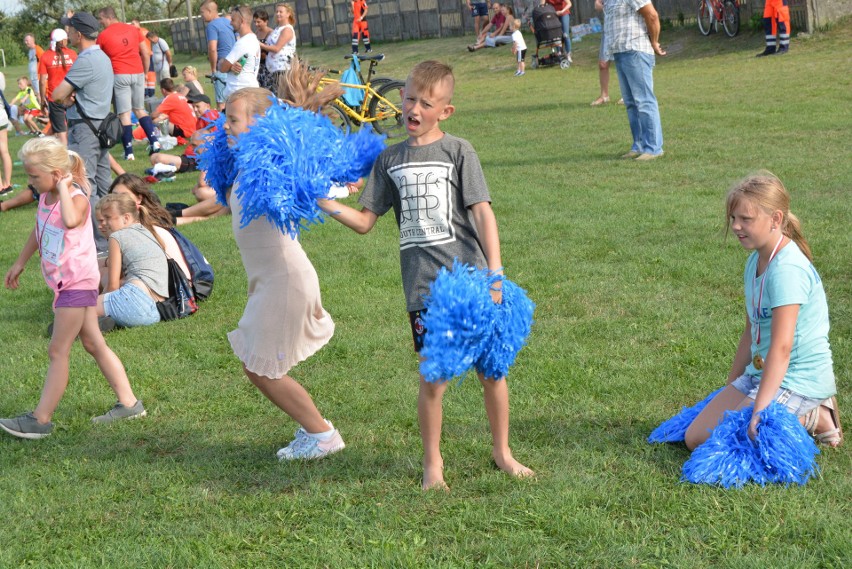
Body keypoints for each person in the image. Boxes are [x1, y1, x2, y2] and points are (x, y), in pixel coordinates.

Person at [318, 61, 534, 490]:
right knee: (433, 378)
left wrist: (496, 273)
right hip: (423, 291)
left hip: (471, 284)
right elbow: (364, 221)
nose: (414, 108)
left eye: (426, 102)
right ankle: (432, 464)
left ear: (445, 112)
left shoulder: (459, 151)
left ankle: (503, 452)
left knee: (492, 372)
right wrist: (321, 200)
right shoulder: (389, 159)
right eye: (410, 98)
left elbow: (482, 212)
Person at [219, 84, 345, 461]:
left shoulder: (272, 162)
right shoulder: (244, 163)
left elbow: (299, 170)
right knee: (258, 365)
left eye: (232, 118)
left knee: (262, 368)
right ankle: (317, 430)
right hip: (267, 279)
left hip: (286, 278)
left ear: (259, 124)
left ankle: (322, 434)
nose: (225, 125)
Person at [684, 173, 842, 451]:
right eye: (733, 218)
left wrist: (759, 409)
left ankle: (816, 415)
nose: (735, 226)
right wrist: (731, 387)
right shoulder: (755, 261)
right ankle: (794, 413)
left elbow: (782, 348)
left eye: (746, 219)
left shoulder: (787, 270)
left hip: (797, 378)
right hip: (762, 371)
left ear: (775, 219)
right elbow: (750, 331)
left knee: (732, 442)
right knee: (695, 438)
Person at [1, 138, 145, 439]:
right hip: (65, 283)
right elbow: (40, 229)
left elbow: (69, 221)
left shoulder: (76, 197)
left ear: (56, 174)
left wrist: (66, 186)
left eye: (34, 176)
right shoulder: (45, 197)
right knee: (94, 343)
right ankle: (130, 404)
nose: (29, 182)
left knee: (58, 350)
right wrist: (20, 261)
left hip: (77, 283)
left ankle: (40, 420)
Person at [52, 11, 115, 253]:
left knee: (83, 184)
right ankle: (111, 237)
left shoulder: (85, 60)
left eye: (69, 30)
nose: (67, 33)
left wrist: (69, 100)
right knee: (102, 184)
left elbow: (58, 94)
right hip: (100, 126)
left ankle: (97, 243)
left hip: (85, 129)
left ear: (78, 34)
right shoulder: (103, 57)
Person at [94, 192, 169, 329]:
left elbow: (113, 286)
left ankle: (86, 325)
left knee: (75, 308)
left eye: (108, 218)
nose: (104, 224)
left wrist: (101, 300)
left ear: (126, 218)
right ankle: (103, 320)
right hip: (155, 311)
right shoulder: (146, 231)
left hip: (134, 301)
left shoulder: (117, 237)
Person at [96, 6, 160, 161]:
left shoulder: (103, 36)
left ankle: (129, 152)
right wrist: (144, 72)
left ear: (109, 17)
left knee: (124, 114)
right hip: (137, 72)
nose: (100, 22)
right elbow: (145, 52)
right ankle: (155, 142)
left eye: (101, 19)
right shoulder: (134, 30)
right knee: (140, 109)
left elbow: (99, 59)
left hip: (120, 74)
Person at [604, 0, 665, 161]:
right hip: (620, 52)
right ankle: (638, 145)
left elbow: (652, 15)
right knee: (631, 103)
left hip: (635, 50)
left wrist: (654, 41)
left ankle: (653, 148)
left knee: (644, 101)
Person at [108, 174, 192, 283]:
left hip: (174, 284)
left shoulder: (140, 227)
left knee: (104, 274)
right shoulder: (142, 220)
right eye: (114, 196)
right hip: (171, 281)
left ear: (139, 198)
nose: (117, 201)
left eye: (124, 196)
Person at [150, 92, 220, 176]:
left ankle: (169, 169)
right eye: (193, 107)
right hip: (191, 157)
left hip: (196, 160)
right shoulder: (201, 119)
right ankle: (166, 168)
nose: (195, 109)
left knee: (157, 158)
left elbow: (216, 139)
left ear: (208, 106)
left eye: (198, 106)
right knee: (155, 158)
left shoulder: (210, 115)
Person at [38, 28, 77, 146]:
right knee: (75, 127)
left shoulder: (46, 56)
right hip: (72, 96)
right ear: (64, 40)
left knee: (61, 132)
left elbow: (42, 81)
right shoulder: (73, 54)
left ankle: (66, 157)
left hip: (54, 98)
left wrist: (42, 100)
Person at [201, 1, 237, 110]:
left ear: (209, 11)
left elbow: (212, 49)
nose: (201, 15)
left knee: (221, 103)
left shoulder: (211, 26)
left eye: (202, 12)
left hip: (222, 67)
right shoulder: (228, 22)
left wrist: (213, 70)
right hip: (234, 64)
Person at [219, 5, 261, 99]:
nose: (230, 23)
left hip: (240, 95)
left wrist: (225, 64)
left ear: (241, 21)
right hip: (248, 92)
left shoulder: (243, 42)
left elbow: (222, 68)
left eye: (233, 20)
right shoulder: (253, 39)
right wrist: (230, 66)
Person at [591, 0, 622, 107]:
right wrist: (605, 6)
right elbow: (597, 4)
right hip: (608, 29)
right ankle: (604, 96)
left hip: (622, 30)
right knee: (603, 64)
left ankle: (627, 95)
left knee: (623, 62)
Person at [261, 3, 297, 92]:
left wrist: (260, 44)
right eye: (276, 12)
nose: (278, 14)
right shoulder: (277, 29)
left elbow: (276, 48)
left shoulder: (287, 29)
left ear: (288, 14)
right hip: (273, 69)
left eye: (281, 12)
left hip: (283, 70)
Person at [252, 9, 273, 91]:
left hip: (268, 68)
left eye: (258, 22)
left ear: (266, 21)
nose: (256, 24)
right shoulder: (256, 33)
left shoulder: (271, 33)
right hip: (258, 67)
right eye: (255, 22)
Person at [0, 72, 12, 194]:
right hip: (2, 114)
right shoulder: (1, 75)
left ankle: (0, 187)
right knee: (4, 151)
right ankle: (7, 184)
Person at [24, 34, 45, 99]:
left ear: (32, 40)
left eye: (27, 40)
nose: (25, 42)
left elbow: (44, 61)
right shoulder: (30, 51)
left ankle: (44, 108)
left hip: (38, 77)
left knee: (40, 95)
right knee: (36, 94)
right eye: (25, 41)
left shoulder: (38, 49)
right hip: (33, 77)